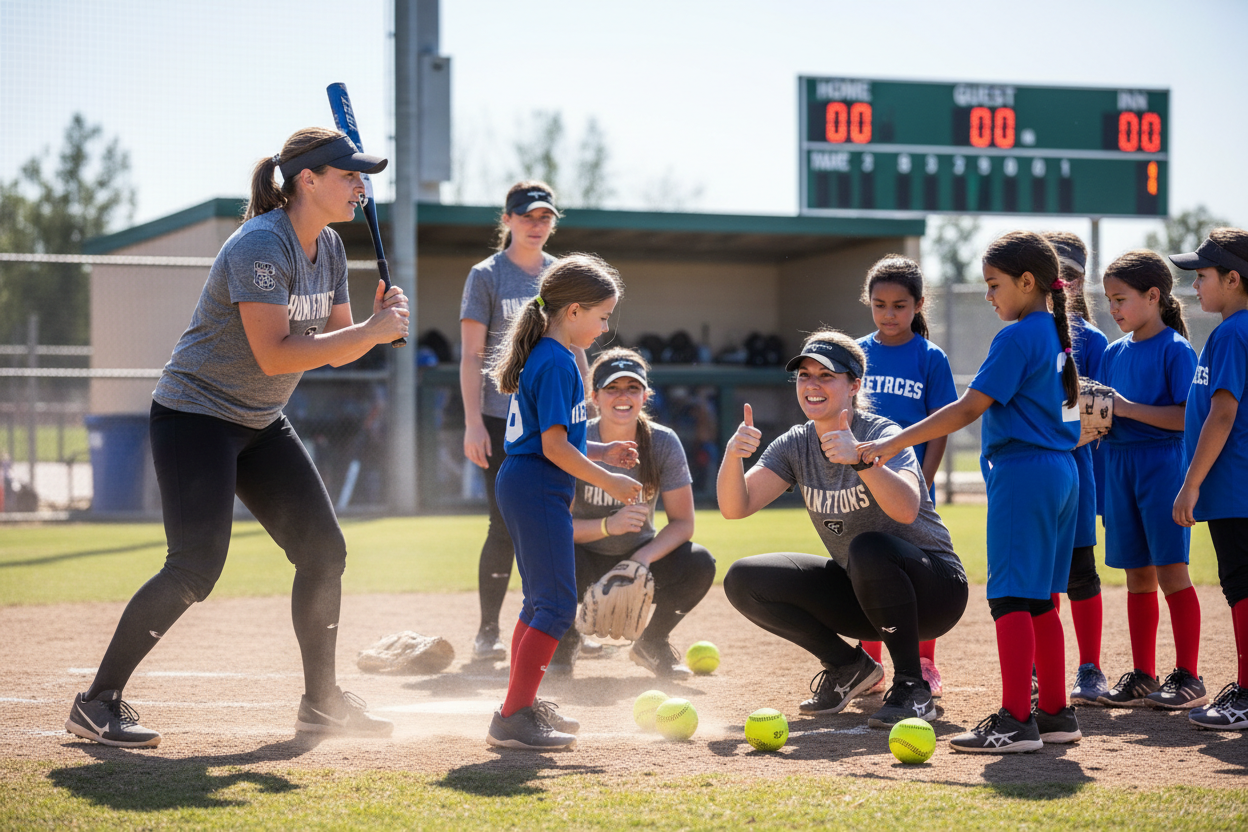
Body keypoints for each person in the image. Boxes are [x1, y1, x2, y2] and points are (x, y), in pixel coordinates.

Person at [65, 128, 409, 748]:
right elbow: (277, 355)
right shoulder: (260, 244)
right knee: (196, 566)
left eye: (362, 177)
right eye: (350, 175)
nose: (361, 186)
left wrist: (371, 325)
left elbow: (334, 346)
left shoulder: (328, 247)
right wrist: (374, 332)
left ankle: (322, 703)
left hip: (258, 421)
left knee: (324, 553)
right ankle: (97, 702)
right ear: (308, 180)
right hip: (195, 415)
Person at [860, 230, 1082, 753]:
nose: (989, 296)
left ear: (1028, 283)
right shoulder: (1054, 332)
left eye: (994, 284)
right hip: (1061, 471)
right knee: (1042, 602)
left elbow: (966, 409)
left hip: (1024, 472)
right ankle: (1053, 712)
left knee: (1009, 598)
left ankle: (1014, 720)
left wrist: (892, 443)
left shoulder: (1018, 335)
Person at [720, 331, 967, 729]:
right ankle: (849, 667)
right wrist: (733, 455)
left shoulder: (881, 432)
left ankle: (911, 685)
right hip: (866, 589)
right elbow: (736, 506)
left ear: (853, 385)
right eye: (804, 375)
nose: (812, 385)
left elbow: (906, 510)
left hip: (935, 591)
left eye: (826, 375)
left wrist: (862, 461)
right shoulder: (795, 444)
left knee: (869, 548)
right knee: (744, 579)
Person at [484, 253, 642, 750]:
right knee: (555, 606)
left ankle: (519, 706)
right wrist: (610, 481)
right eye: (602, 315)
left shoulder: (555, 355)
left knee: (540, 603)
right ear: (573, 311)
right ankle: (513, 716)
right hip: (535, 483)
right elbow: (552, 448)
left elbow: (555, 436)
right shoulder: (555, 360)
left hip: (528, 479)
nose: (605, 326)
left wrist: (601, 449)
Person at [459, 181, 591, 662]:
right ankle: (488, 630)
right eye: (528, 216)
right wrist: (473, 421)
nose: (538, 225)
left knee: (560, 518)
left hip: (554, 409)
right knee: (503, 525)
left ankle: (557, 622)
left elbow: (579, 343)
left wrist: (586, 399)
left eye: (546, 217)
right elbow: (472, 355)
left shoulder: (560, 272)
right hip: (502, 420)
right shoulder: (487, 275)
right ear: (508, 220)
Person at [551, 348, 717, 678]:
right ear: (595, 396)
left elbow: (683, 523)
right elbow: (557, 526)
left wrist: (641, 559)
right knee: (541, 551)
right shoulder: (575, 439)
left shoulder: (663, 442)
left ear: (645, 396)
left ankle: (651, 643)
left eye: (632, 388)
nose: (622, 396)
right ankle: (566, 639)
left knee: (700, 563)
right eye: (612, 388)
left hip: (639, 555)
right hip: (582, 553)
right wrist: (608, 526)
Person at [1094, 250, 1203, 709]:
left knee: (1171, 572)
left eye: (1121, 299)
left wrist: (1127, 408)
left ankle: (1189, 677)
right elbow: (1096, 416)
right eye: (1109, 300)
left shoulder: (1176, 349)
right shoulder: (1112, 353)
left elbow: (1187, 419)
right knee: (1136, 574)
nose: (1114, 309)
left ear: (1153, 296)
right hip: (1118, 464)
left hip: (1161, 466)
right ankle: (1143, 673)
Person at [855, 255, 958, 698]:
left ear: (918, 305)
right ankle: (869, 664)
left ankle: (924, 664)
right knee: (865, 571)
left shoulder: (930, 357)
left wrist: (925, 482)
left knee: (916, 576)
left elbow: (940, 428)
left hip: (910, 487)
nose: (889, 314)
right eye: (879, 305)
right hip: (863, 482)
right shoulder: (857, 353)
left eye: (899, 305)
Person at [1170, 229, 1248, 729]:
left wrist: (1191, 483)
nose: (1195, 285)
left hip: (1233, 486)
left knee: (1241, 586)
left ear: (1234, 278)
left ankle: (1246, 694)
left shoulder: (1233, 332)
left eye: (1202, 276)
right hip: (1235, 486)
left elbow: (1222, 413)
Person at [1042, 232, 1110, 706]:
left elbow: (1100, 413)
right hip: (1034, 474)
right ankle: (1035, 666)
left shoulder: (1094, 339)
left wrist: (1064, 435)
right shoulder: (1027, 329)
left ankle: (1090, 668)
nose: (1063, 280)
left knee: (1080, 573)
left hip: (1077, 470)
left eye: (1073, 273)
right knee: (1036, 576)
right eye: (1055, 271)